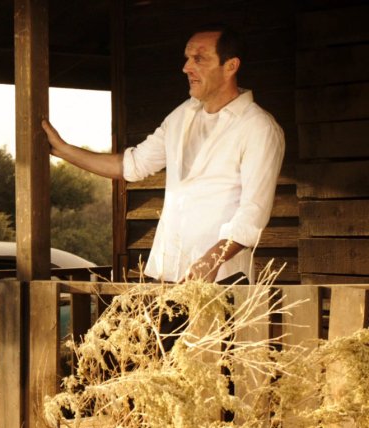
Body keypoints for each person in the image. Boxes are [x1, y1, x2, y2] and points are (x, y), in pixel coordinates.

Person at [43, 24, 284, 284]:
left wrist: (212, 260)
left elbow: (253, 211)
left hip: (223, 280)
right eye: (187, 58)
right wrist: (63, 150)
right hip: (165, 275)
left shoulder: (258, 128)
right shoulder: (182, 114)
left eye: (199, 59)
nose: (186, 67)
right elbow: (133, 165)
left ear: (230, 66)